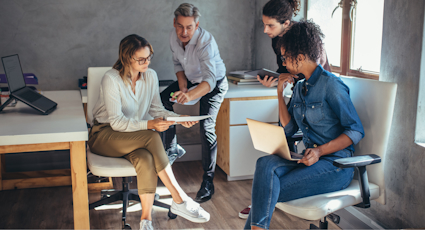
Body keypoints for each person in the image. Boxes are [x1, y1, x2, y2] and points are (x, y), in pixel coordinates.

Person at [244, 20, 364, 230]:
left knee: (267, 190)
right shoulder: (300, 87)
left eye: (285, 57)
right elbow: (289, 130)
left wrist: (319, 151)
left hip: (335, 166)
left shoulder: (332, 86)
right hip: (307, 159)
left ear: (299, 58)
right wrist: (279, 94)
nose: (283, 63)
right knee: (264, 164)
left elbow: (355, 131)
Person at [88, 34, 210, 230]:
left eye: (149, 57)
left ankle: (146, 222)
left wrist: (177, 118)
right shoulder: (111, 78)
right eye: (141, 59)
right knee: (152, 135)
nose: (147, 62)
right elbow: (118, 122)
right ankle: (179, 198)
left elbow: (156, 109)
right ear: (127, 58)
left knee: (145, 159)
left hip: (132, 137)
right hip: (104, 135)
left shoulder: (150, 76)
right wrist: (150, 125)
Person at [239, 0, 333, 219]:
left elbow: (312, 71)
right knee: (279, 141)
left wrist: (287, 82)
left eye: (270, 25)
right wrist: (277, 83)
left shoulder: (308, 40)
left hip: (315, 94)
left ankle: (268, 198)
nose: (265, 30)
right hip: (296, 91)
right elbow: (285, 72)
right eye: (264, 25)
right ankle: (266, 198)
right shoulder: (277, 41)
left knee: (288, 136)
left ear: (287, 23)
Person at [160, 3, 228, 203]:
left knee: (206, 128)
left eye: (189, 27)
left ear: (197, 25)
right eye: (180, 26)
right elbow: (177, 63)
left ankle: (208, 182)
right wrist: (182, 84)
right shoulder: (174, 37)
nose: (184, 32)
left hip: (213, 85)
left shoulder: (205, 42)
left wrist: (189, 96)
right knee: (163, 99)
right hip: (191, 79)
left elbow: (210, 81)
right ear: (174, 23)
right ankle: (172, 147)